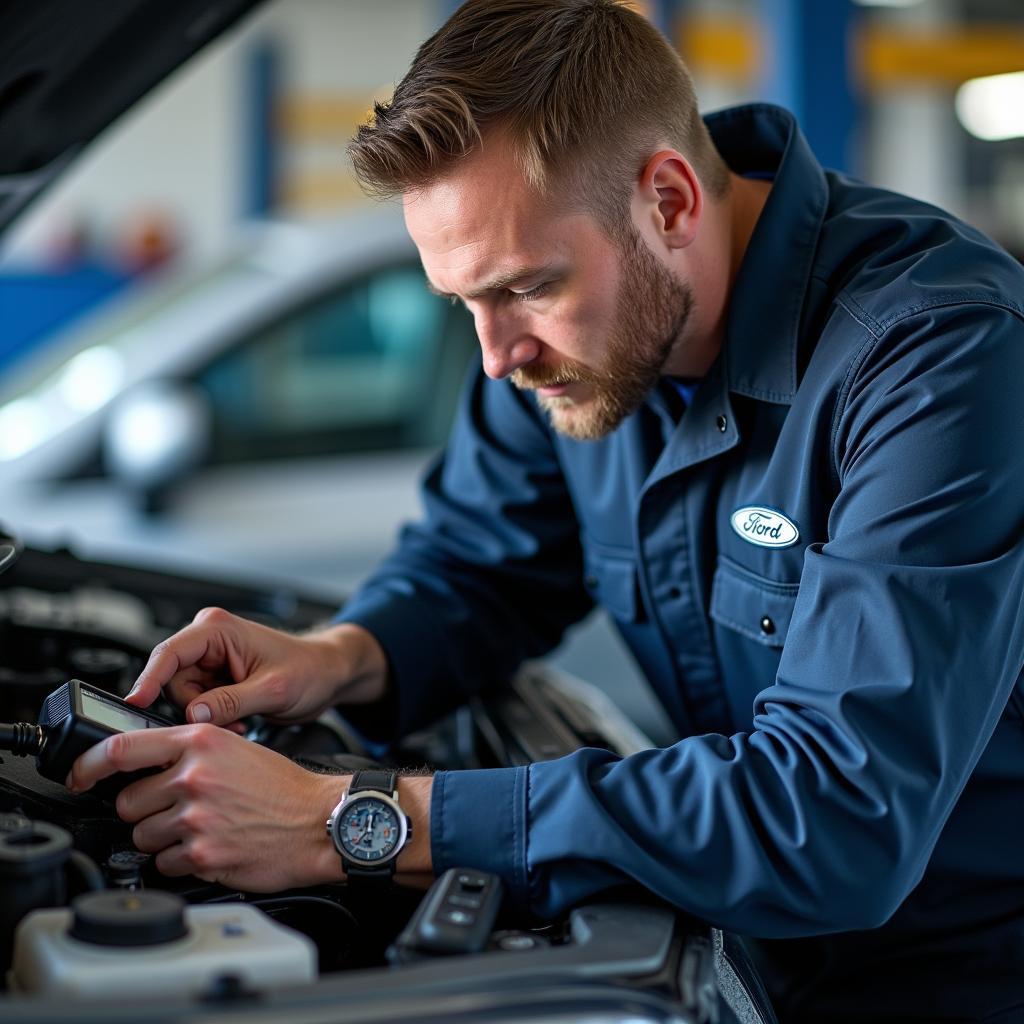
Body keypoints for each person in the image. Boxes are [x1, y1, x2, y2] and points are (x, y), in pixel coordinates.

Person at [67, 1, 1024, 1019]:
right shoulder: (572, 347)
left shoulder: (937, 357)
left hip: (966, 978)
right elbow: (477, 565)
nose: (494, 356)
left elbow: (833, 816)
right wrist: (337, 654)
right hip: (752, 952)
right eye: (463, 303)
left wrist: (350, 819)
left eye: (526, 287)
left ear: (667, 199)